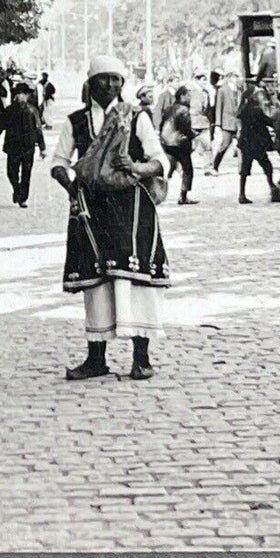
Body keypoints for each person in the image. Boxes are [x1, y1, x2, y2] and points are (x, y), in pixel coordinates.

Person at [49, 55, 169, 382]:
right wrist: (72, 186)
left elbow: (159, 159)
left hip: (132, 208)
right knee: (96, 281)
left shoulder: (137, 118)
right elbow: (59, 162)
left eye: (116, 79)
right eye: (104, 79)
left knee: (136, 280)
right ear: (90, 84)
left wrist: (138, 168)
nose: (111, 85)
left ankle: (141, 358)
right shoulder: (76, 122)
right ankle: (96, 358)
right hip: (92, 209)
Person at [0, 81, 46, 207]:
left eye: (24, 94)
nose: (21, 97)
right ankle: (17, 188)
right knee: (11, 172)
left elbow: (38, 128)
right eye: (19, 94)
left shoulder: (32, 110)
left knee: (26, 172)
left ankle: (23, 197)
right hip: (12, 145)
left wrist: (42, 148)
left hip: (28, 145)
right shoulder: (9, 110)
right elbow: (1, 125)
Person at [236, 83, 279, 205]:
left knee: (244, 170)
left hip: (246, 144)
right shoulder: (257, 110)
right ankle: (272, 188)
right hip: (257, 145)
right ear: (253, 97)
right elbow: (268, 121)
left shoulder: (243, 109)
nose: (261, 97)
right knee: (267, 167)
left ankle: (242, 194)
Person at [160, 84, 197, 205]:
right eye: (188, 95)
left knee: (167, 170)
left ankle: (158, 191)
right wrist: (193, 135)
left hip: (166, 143)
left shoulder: (169, 108)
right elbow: (186, 127)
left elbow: (162, 124)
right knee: (187, 169)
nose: (190, 98)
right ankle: (183, 196)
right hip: (179, 143)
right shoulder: (184, 110)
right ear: (182, 96)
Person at [208, 71, 241, 174]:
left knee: (242, 146)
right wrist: (218, 124)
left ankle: (242, 169)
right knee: (225, 145)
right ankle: (215, 166)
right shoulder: (222, 90)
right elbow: (218, 108)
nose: (237, 79)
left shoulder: (239, 90)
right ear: (230, 78)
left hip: (238, 123)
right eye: (235, 77)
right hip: (227, 123)